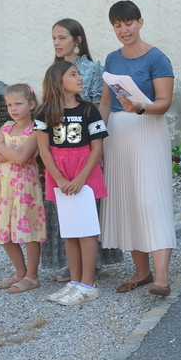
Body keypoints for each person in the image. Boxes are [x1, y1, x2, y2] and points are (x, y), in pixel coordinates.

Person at [99, 1, 176, 297]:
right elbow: (105, 103)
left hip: (148, 131)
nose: (124, 30)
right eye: (118, 25)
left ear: (140, 23)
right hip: (117, 136)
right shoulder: (111, 58)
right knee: (128, 199)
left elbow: (164, 102)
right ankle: (142, 272)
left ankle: (162, 278)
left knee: (151, 200)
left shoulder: (157, 58)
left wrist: (139, 107)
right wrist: (98, 140)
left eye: (128, 23)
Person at [47, 18, 123, 275]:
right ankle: (74, 266)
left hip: (86, 146)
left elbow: (100, 107)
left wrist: (97, 146)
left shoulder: (91, 70)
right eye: (54, 38)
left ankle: (93, 265)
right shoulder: (55, 69)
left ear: (77, 40)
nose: (57, 43)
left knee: (87, 205)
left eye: (62, 38)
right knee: (66, 207)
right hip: (61, 148)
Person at [36, 62, 108, 306]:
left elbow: (97, 147)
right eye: (74, 74)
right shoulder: (45, 112)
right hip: (59, 177)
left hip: (83, 175)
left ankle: (88, 285)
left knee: (86, 231)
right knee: (70, 231)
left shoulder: (89, 111)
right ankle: (75, 282)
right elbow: (43, 148)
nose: (80, 78)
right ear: (58, 82)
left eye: (79, 74)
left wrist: (80, 178)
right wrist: (58, 178)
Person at [0, 84, 46, 294]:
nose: (13, 108)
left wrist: (1, 147)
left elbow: (22, 158)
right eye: (9, 105)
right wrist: (7, 151)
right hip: (4, 186)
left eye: (18, 103)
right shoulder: (6, 127)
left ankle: (32, 276)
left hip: (25, 186)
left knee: (29, 229)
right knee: (4, 229)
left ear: (31, 104)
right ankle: (20, 272)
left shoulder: (35, 129)